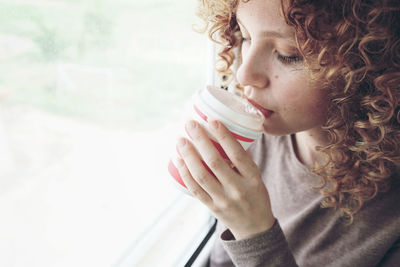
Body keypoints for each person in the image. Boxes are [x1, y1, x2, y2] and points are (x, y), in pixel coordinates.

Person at [174, 0, 400, 266]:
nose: (244, 74)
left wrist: (254, 234)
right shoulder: (253, 140)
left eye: (288, 54)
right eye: (246, 37)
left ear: (367, 67)